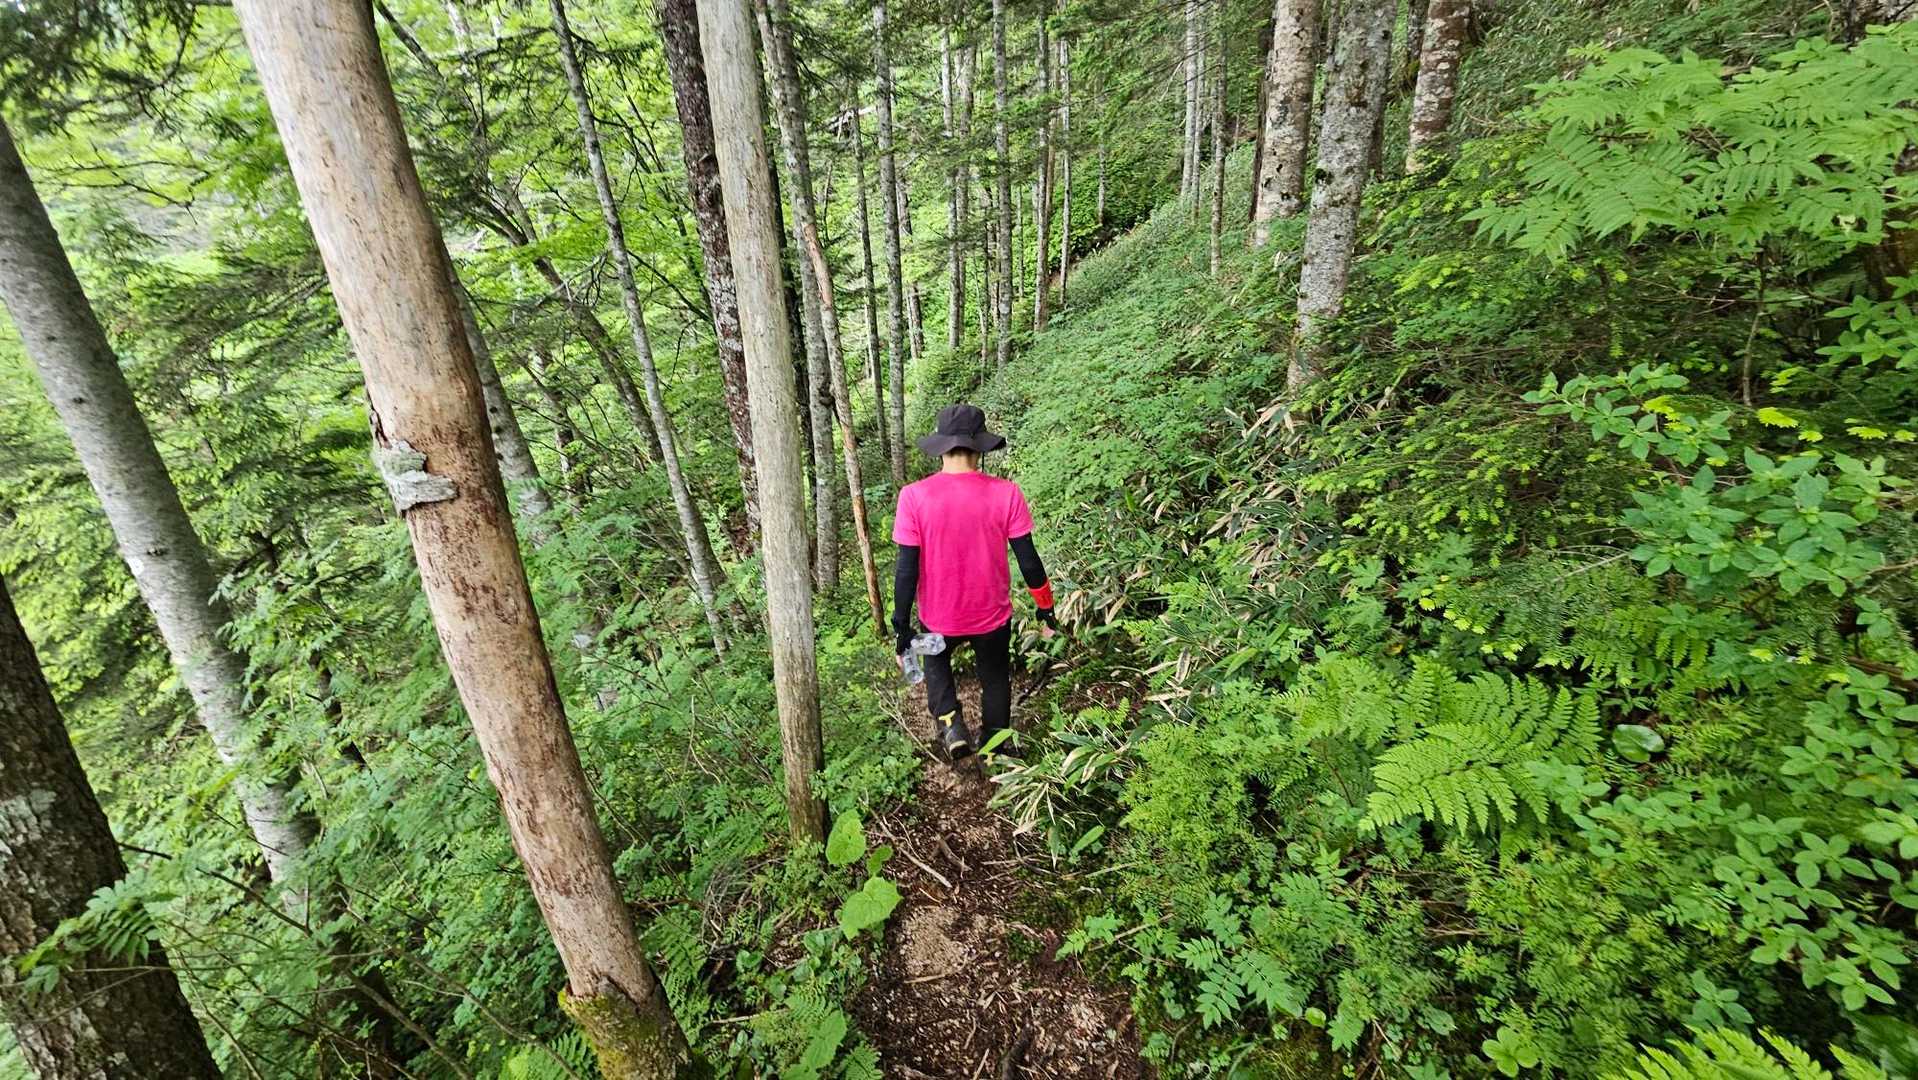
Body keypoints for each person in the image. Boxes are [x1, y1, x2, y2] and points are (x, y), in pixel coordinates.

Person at [893, 404, 1057, 760]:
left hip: (938, 615)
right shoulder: (1006, 493)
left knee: (937, 666)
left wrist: (901, 628)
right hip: (991, 615)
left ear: (941, 446)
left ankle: (951, 725)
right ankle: (995, 743)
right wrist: (1046, 608)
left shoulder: (913, 496)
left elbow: (906, 569)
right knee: (995, 677)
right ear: (979, 446)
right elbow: (1029, 560)